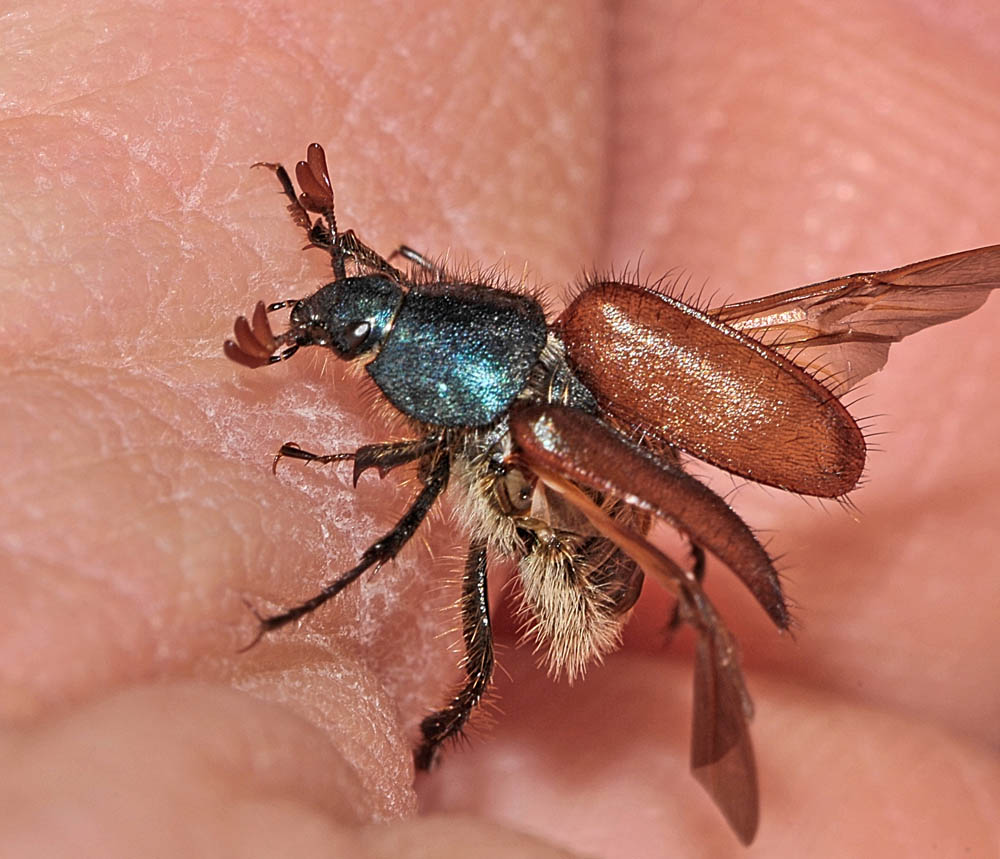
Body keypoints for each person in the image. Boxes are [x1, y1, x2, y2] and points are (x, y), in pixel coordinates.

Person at [3, 1, 998, 855]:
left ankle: (444, 722)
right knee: (468, 398)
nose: (340, 326)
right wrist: (337, 258)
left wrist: (309, 593)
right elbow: (428, 321)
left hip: (579, 556)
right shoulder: (476, 340)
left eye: (356, 325)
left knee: (467, 627)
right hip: (525, 417)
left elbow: (416, 465)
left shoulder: (494, 399)